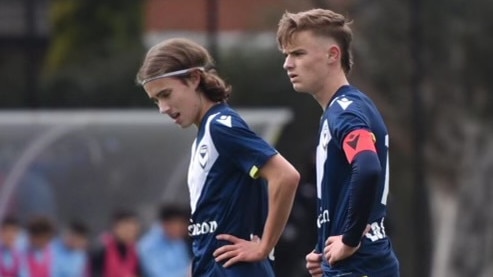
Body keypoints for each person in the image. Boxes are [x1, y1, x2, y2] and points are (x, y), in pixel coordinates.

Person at [136, 38, 300, 277]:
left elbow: (285, 176)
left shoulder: (220, 127)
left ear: (194, 79)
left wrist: (264, 246)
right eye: (156, 100)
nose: (163, 107)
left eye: (166, 94)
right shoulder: (206, 134)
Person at [277, 8, 400, 277]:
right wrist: (325, 248)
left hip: (361, 266)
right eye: (287, 55)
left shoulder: (345, 110)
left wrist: (350, 239)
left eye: (298, 53)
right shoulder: (338, 111)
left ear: (333, 54)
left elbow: (367, 166)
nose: (288, 63)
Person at [138, 204, 191, 277]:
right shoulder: (148, 245)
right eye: (178, 224)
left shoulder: (178, 241)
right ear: (167, 224)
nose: (182, 228)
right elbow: (159, 274)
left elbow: (184, 264)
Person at [90, 210, 142, 277]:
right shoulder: (101, 249)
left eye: (134, 231)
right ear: (116, 228)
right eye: (128, 230)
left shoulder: (136, 251)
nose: (131, 234)